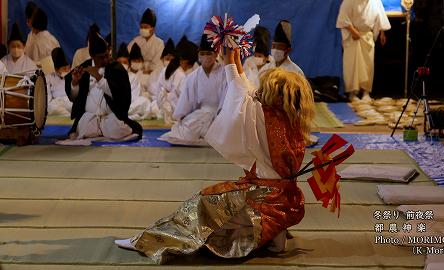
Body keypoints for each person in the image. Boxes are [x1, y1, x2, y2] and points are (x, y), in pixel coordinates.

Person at [114, 47, 315, 263]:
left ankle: (150, 239)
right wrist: (235, 61)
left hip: (262, 198)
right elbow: (245, 92)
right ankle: (276, 233)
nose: (258, 91)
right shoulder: (294, 123)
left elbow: (241, 95)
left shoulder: (262, 116)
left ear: (272, 93)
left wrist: (230, 61)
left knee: (203, 203)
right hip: (287, 200)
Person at [64, 30, 142, 141]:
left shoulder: (116, 68)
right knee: (82, 129)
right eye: (101, 57)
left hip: (111, 118)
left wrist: (99, 78)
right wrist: (75, 83)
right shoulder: (84, 69)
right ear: (92, 56)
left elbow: (121, 96)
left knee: (118, 130)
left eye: (107, 55)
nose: (105, 59)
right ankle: (99, 131)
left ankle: (101, 131)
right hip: (90, 118)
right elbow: (74, 98)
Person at [158, 34, 227, 145]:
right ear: (198, 54)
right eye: (202, 54)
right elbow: (186, 101)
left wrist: (220, 117)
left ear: (216, 54)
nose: (205, 57)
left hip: (220, 116)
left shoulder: (224, 74)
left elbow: (226, 99)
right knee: (183, 133)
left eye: (209, 54)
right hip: (200, 114)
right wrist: (181, 117)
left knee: (222, 134)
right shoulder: (193, 77)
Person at [336, 0, 391, 101]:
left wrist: (382, 32)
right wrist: (353, 31)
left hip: (367, 35)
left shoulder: (375, 2)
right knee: (352, 65)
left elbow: (381, 17)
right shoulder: (349, 1)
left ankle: (366, 92)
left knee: (368, 65)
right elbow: (343, 18)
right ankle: (353, 93)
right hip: (353, 37)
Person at [155, 36, 199, 123]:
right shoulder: (180, 75)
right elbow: (184, 100)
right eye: (190, 65)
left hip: (162, 108)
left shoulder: (166, 69)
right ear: (186, 61)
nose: (189, 68)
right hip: (174, 111)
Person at [116, 43, 150, 121]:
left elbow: (134, 97)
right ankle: (125, 115)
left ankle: (120, 114)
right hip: (113, 105)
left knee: (145, 102)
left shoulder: (133, 77)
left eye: (124, 62)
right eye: (119, 62)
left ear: (129, 64)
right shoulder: (110, 75)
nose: (122, 64)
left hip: (128, 106)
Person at [128, 8, 164, 74]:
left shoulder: (159, 43)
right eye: (141, 27)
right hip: (135, 73)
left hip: (152, 74)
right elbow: (128, 57)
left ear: (153, 29)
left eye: (146, 27)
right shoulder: (135, 41)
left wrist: (146, 68)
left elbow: (157, 63)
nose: (143, 29)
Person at [45, 47, 72, 116]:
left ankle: (69, 116)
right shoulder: (48, 78)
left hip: (70, 102)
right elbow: (48, 100)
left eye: (68, 68)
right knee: (50, 107)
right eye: (64, 69)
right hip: (57, 103)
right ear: (56, 69)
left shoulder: (73, 75)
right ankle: (68, 116)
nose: (67, 70)